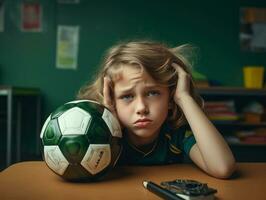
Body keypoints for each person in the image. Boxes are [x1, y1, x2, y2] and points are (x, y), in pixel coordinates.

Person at [77, 40, 236, 179]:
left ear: (170, 97)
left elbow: (223, 168)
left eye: (153, 93)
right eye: (127, 96)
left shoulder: (176, 133)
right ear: (112, 100)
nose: (141, 108)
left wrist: (183, 98)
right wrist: (109, 121)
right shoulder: (101, 136)